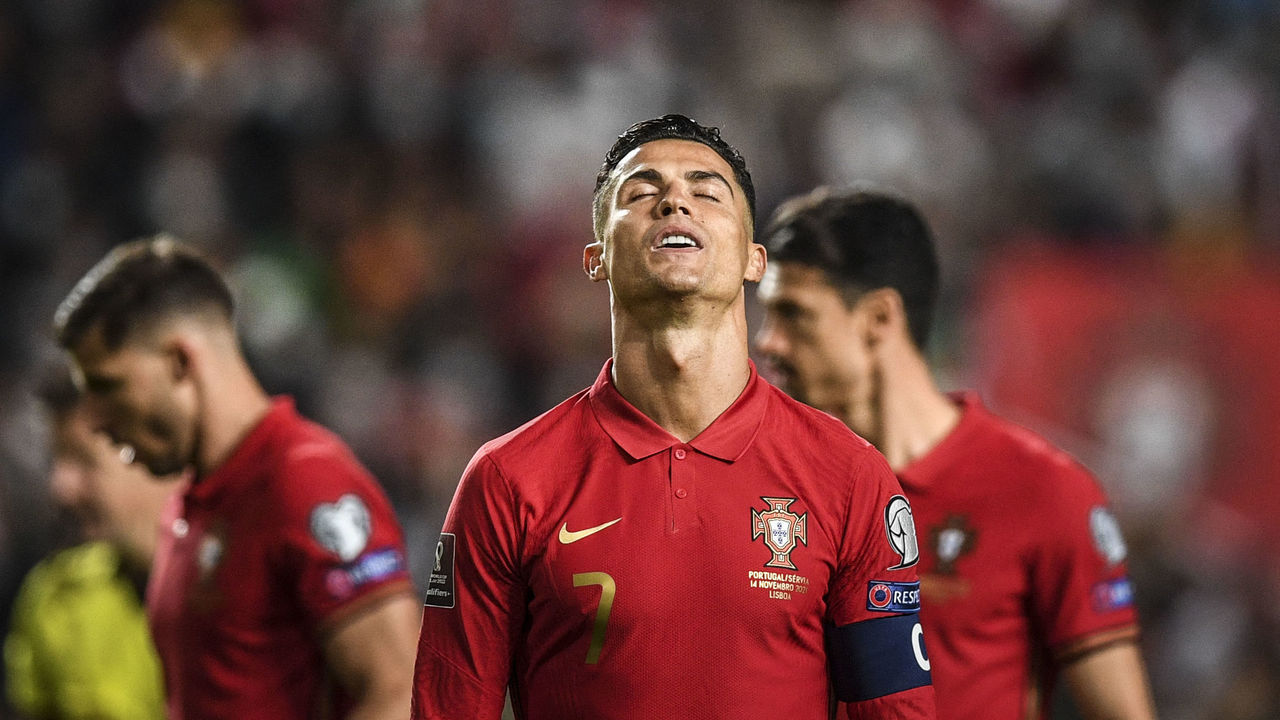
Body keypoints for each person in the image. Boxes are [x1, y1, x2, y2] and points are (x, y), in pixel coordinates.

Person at [411, 115, 935, 720]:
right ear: (595, 258)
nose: (675, 202)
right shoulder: (507, 479)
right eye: (641, 192)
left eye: (707, 191)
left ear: (753, 260)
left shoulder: (850, 476)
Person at [754, 186, 1158, 720]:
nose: (767, 342)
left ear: (879, 319)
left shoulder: (1041, 490)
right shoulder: (770, 485)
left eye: (794, 314)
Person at [52, 236, 421, 720]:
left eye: (106, 386)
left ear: (180, 362)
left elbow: (399, 691)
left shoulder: (307, 484)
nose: (95, 419)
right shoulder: (192, 506)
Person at [5, 365, 177, 720]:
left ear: (151, 453)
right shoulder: (56, 597)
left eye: (82, 459)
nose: (61, 488)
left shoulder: (242, 585)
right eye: (58, 461)